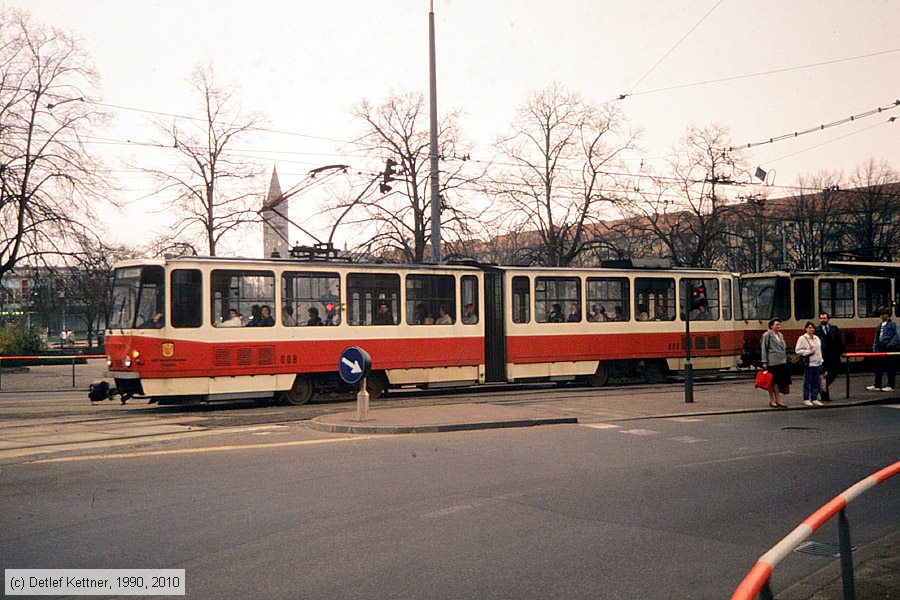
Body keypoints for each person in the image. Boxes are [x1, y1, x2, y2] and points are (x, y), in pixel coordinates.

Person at [867, 308, 899, 392]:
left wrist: (890, 344)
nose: (881, 316)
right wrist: (875, 348)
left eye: (883, 314)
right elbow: (876, 338)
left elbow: (898, 336)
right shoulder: (879, 326)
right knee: (878, 367)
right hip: (880, 347)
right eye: (881, 314)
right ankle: (877, 384)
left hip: (889, 347)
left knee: (890, 367)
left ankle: (890, 385)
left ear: (887, 315)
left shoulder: (893, 324)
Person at [814, 311, 843, 402]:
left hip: (834, 355)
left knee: (834, 373)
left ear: (828, 319)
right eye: (821, 318)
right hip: (823, 356)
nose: (823, 320)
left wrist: (842, 351)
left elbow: (839, 340)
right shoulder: (816, 330)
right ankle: (825, 397)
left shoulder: (834, 329)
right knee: (823, 376)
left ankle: (822, 387)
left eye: (825, 318)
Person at [760, 318, 789, 408]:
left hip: (781, 361)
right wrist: (764, 361)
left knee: (778, 382)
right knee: (772, 382)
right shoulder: (767, 335)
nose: (778, 326)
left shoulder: (780, 335)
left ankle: (778, 400)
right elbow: (764, 348)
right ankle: (772, 400)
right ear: (771, 326)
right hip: (772, 362)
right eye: (776, 325)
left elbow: (783, 347)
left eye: (779, 325)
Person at [795, 321, 824, 406]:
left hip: (817, 363)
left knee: (816, 381)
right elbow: (798, 350)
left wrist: (821, 360)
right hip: (809, 364)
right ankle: (806, 399)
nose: (811, 329)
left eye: (812, 328)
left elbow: (819, 351)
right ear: (806, 329)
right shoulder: (802, 338)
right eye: (809, 327)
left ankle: (814, 398)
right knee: (807, 381)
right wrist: (808, 352)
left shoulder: (816, 338)